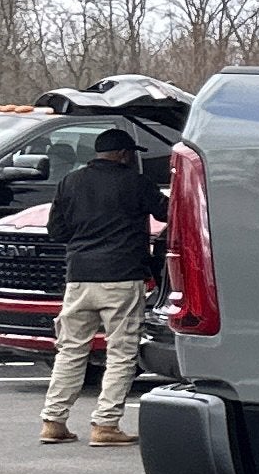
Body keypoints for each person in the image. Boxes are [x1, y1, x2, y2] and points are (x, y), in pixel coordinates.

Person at [39, 130, 171, 447]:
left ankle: (53, 421)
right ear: (125, 154)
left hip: (79, 277)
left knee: (70, 350)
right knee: (121, 353)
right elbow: (168, 212)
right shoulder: (136, 183)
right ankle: (105, 425)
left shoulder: (70, 182)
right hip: (122, 277)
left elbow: (56, 230)